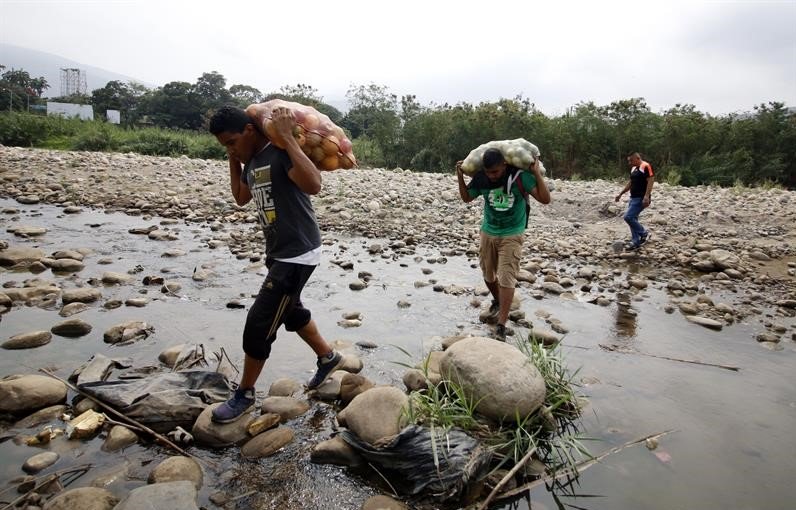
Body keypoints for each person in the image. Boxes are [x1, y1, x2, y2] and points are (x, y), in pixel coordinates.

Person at [207, 105, 344, 423]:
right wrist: (232, 158)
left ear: (250, 131)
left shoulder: (279, 152)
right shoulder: (251, 161)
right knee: (290, 310)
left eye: (231, 142)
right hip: (279, 252)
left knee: (259, 325)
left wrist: (288, 139)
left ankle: (244, 394)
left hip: (298, 252)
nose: (231, 148)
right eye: (224, 145)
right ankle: (328, 357)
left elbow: (313, 185)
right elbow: (241, 196)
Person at [456, 148, 551, 341]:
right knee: (488, 275)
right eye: (489, 172)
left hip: (512, 233)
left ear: (504, 165)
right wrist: (460, 177)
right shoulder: (482, 178)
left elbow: (545, 199)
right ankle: (499, 301)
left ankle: (501, 324)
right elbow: (467, 198)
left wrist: (535, 174)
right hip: (488, 231)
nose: (492, 176)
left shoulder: (519, 177)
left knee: (507, 278)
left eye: (496, 172)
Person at [615, 152, 654, 250]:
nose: (629, 163)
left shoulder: (645, 166)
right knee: (633, 219)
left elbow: (651, 180)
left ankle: (644, 233)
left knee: (628, 217)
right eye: (628, 161)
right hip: (633, 198)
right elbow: (631, 183)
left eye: (631, 160)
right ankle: (636, 241)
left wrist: (646, 196)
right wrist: (621, 194)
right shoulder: (633, 169)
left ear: (637, 158)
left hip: (641, 198)